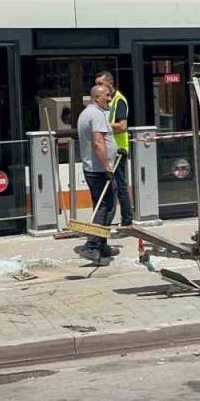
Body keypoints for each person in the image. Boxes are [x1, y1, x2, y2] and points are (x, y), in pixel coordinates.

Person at [75, 84, 120, 264]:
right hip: (100, 170)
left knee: (100, 207)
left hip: (93, 169)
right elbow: (98, 142)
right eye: (107, 96)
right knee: (106, 208)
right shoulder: (97, 114)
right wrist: (107, 165)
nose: (110, 99)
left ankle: (101, 245)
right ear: (97, 98)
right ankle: (92, 246)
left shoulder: (87, 113)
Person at [95, 70, 133, 228]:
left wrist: (103, 127)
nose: (97, 87)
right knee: (114, 185)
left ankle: (126, 221)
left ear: (110, 84)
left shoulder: (119, 100)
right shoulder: (106, 101)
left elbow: (123, 126)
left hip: (119, 150)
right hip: (109, 149)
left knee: (120, 186)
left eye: (100, 84)